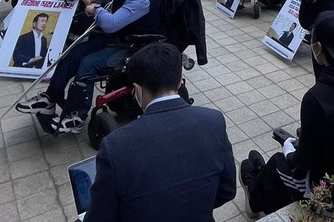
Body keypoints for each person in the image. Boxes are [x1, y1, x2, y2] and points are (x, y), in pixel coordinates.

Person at [239, 11, 334, 218]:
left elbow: (304, 161)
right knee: (285, 154)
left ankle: (253, 198)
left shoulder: (317, 98)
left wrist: (289, 151)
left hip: (332, 191)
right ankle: (260, 175)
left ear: (317, 48)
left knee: (278, 163)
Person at [16, 0, 164, 133]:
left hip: (134, 47)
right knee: (73, 53)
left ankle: (77, 117)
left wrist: (96, 9)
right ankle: (50, 99)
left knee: (88, 63)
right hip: (117, 39)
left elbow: (111, 24)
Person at [86, 43, 235, 221]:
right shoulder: (214, 121)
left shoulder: (115, 146)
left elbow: (100, 217)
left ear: (137, 90)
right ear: (180, 80)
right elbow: (227, 190)